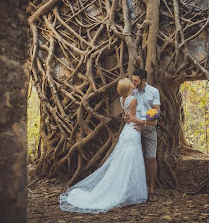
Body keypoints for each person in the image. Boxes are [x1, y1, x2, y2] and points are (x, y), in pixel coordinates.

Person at [59, 78, 149, 213]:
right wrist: (146, 122)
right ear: (128, 87)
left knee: (123, 161)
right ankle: (127, 191)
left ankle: (124, 189)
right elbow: (132, 118)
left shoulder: (122, 99)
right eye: (131, 82)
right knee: (131, 160)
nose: (132, 82)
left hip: (126, 132)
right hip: (132, 132)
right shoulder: (133, 100)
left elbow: (127, 117)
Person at [125, 69, 161, 202]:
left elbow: (156, 112)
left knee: (151, 158)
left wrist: (144, 123)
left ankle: (151, 190)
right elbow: (126, 107)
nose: (133, 82)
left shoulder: (153, 91)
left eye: (136, 80)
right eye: (132, 79)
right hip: (133, 128)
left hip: (149, 127)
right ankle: (131, 190)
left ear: (143, 80)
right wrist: (127, 117)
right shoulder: (131, 91)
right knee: (131, 157)